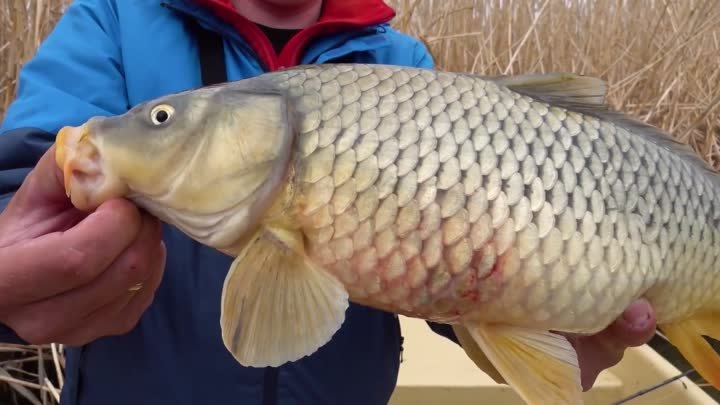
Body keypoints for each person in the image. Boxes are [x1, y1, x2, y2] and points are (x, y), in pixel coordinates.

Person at [0, 0, 657, 404]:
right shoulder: (113, 21)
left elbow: (447, 282)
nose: (153, 126)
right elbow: (18, 190)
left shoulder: (401, 64)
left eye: (163, 118)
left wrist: (543, 307)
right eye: (164, 119)